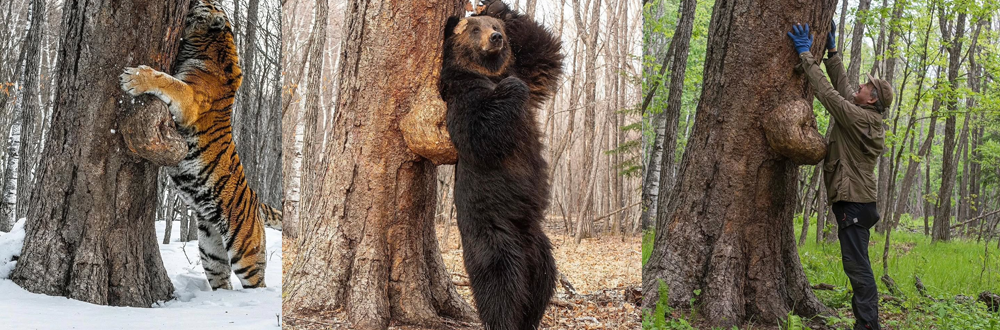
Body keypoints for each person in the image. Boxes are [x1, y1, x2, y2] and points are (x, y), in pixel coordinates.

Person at [787, 22, 892, 330]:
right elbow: (844, 87)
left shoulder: (860, 119)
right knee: (856, 263)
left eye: (865, 87)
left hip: (855, 204)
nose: (859, 86)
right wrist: (832, 53)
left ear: (871, 99)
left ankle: (868, 325)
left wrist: (806, 53)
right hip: (857, 202)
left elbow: (829, 95)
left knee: (857, 266)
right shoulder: (863, 113)